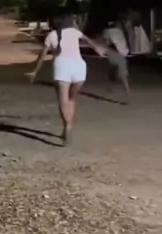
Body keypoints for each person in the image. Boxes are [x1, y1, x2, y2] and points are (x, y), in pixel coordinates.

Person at [26, 13, 106, 144]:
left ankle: (67, 125)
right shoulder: (75, 32)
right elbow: (89, 41)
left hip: (62, 67)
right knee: (72, 99)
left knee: (63, 100)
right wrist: (97, 49)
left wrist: (35, 71)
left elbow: (42, 55)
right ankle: (69, 125)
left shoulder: (51, 35)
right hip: (79, 67)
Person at [102, 20, 130, 102]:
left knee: (119, 72)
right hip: (122, 52)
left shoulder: (107, 31)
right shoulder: (119, 31)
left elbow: (106, 42)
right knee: (118, 72)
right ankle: (113, 89)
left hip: (114, 52)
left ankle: (127, 91)